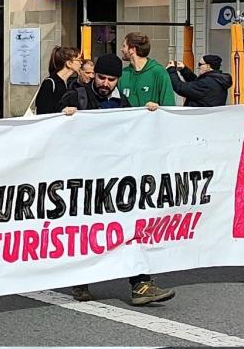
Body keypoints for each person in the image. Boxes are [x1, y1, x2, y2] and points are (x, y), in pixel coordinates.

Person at [61, 53, 176, 306]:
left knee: (128, 227)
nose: (105, 83)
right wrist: (64, 115)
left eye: (111, 79)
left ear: (117, 80)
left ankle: (141, 284)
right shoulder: (76, 96)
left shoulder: (122, 102)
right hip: (84, 178)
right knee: (87, 229)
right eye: (101, 77)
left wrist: (149, 114)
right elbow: (49, 126)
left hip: (115, 178)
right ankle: (81, 280)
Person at [118, 32, 175, 108]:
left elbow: (169, 105)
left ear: (132, 49)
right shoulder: (123, 74)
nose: (121, 49)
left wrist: (157, 107)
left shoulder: (159, 72)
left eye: (124, 46)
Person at [166, 55, 231, 107]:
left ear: (208, 66)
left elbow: (180, 87)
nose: (198, 67)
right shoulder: (217, 80)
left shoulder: (206, 83)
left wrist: (171, 70)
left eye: (200, 64)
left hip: (199, 119)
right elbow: (196, 83)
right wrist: (184, 70)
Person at [35, 46, 81, 115]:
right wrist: (61, 111)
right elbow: (42, 111)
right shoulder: (49, 83)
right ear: (69, 63)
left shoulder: (69, 83)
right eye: (78, 60)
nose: (81, 63)